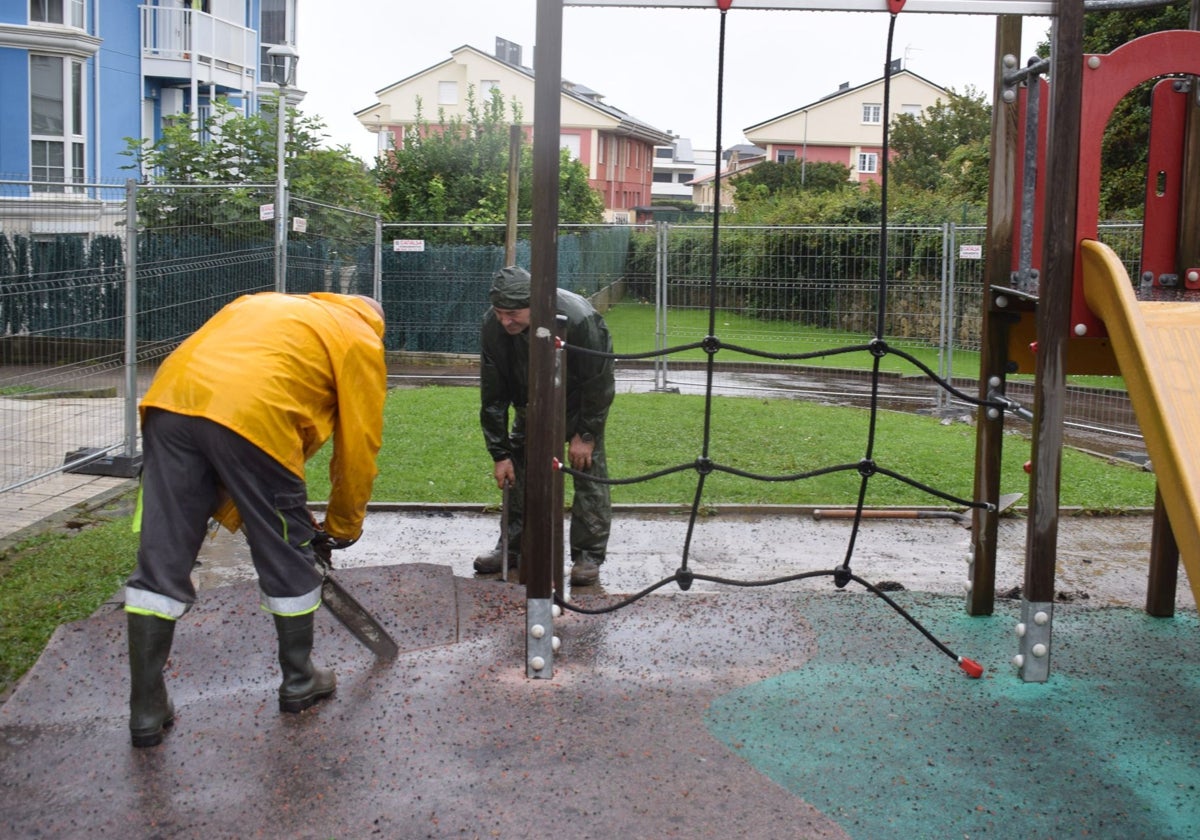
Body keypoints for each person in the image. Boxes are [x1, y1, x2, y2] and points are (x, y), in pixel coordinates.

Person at [123, 292, 387, 748]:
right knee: (286, 555)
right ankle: (300, 681)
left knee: (162, 555)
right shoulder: (361, 337)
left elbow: (220, 404)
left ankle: (146, 708)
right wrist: (342, 527)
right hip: (253, 416)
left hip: (168, 405)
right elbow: (358, 445)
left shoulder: (262, 304)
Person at [474, 266, 615, 587]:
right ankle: (511, 546)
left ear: (536, 305)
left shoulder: (579, 319)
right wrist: (500, 453)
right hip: (531, 404)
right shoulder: (493, 328)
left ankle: (587, 555)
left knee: (587, 470)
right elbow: (493, 395)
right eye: (498, 312)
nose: (504, 321)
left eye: (513, 313)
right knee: (517, 471)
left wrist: (587, 434)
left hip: (579, 405)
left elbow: (600, 380)